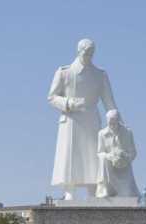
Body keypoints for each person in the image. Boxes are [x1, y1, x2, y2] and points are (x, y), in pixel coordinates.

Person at [48, 38, 118, 200]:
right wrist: (69, 103)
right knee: (70, 155)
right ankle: (69, 191)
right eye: (86, 52)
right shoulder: (65, 72)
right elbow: (52, 97)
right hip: (71, 118)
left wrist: (118, 124)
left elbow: (109, 102)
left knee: (92, 154)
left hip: (91, 119)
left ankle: (94, 189)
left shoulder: (99, 75)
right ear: (79, 51)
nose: (88, 56)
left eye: (91, 53)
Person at [95, 110, 140, 198]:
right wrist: (110, 156)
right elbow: (100, 152)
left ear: (118, 120)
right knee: (103, 159)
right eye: (109, 123)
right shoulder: (102, 134)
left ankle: (124, 190)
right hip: (109, 164)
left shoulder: (127, 132)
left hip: (124, 164)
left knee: (127, 195)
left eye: (114, 122)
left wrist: (124, 157)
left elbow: (133, 152)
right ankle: (105, 189)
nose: (112, 125)